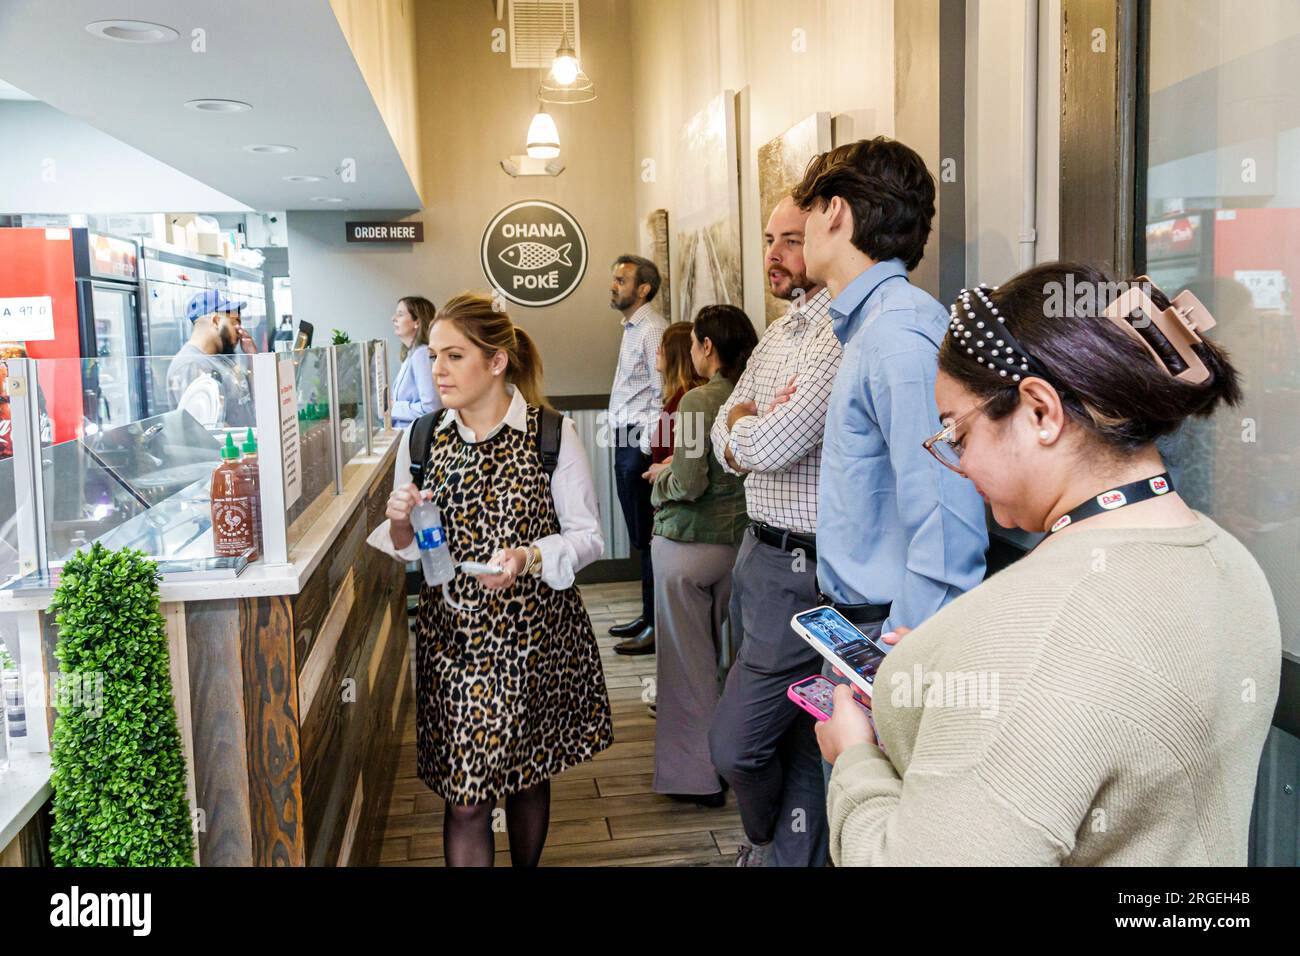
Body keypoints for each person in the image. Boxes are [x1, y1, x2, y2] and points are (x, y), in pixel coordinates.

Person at [816, 263, 1281, 865]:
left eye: (957, 437)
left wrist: (856, 761)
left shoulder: (1022, 633)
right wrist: (947, 667)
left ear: (1040, 411)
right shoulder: (1232, 564)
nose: (958, 466)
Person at [366, 293, 613, 867]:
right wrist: (400, 520)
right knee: (466, 801)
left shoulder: (551, 435)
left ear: (496, 362)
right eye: (433, 356)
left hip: (532, 640)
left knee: (527, 774)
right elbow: (407, 553)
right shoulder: (423, 439)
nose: (438, 371)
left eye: (454, 356)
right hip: (451, 644)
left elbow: (588, 537)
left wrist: (528, 555)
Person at [792, 137, 988, 780]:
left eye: (808, 210)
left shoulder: (897, 333)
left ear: (837, 213)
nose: (800, 228)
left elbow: (949, 522)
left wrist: (892, 676)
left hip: (888, 643)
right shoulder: (876, 325)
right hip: (863, 634)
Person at [706, 195, 843, 867]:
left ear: (825, 237)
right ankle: (784, 858)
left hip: (804, 569)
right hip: (758, 553)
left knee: (737, 744)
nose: (774, 253)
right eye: (769, 238)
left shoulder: (834, 334)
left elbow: (769, 446)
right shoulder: (777, 335)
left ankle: (762, 845)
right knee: (792, 740)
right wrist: (743, 424)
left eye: (791, 239)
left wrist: (746, 427)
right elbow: (722, 436)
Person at [644, 305, 756, 806]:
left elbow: (688, 483)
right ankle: (735, 763)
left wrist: (659, 479)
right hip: (742, 546)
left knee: (686, 668)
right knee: (733, 663)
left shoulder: (696, 402)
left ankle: (696, 778)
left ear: (707, 348)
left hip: (688, 548)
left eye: (694, 343)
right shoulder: (755, 395)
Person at [606, 254, 668, 655]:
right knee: (640, 538)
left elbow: (661, 395)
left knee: (647, 538)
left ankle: (655, 628)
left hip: (638, 442)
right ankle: (647, 617)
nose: (613, 286)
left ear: (642, 288)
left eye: (621, 280)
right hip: (624, 437)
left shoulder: (651, 330)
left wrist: (643, 449)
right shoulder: (632, 327)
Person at [166, 289, 257, 426]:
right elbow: (209, 428)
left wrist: (252, 357)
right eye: (235, 321)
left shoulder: (220, 358)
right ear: (216, 321)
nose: (240, 329)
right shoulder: (191, 364)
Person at [648, 322, 705, 467]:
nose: (657, 351)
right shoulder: (678, 396)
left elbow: (684, 462)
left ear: (678, 353)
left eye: (664, 345)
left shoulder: (686, 398)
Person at [390, 295, 442, 429]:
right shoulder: (411, 355)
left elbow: (431, 408)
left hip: (414, 438)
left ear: (417, 322)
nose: (393, 319)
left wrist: (392, 407)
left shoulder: (421, 354)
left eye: (400, 314)